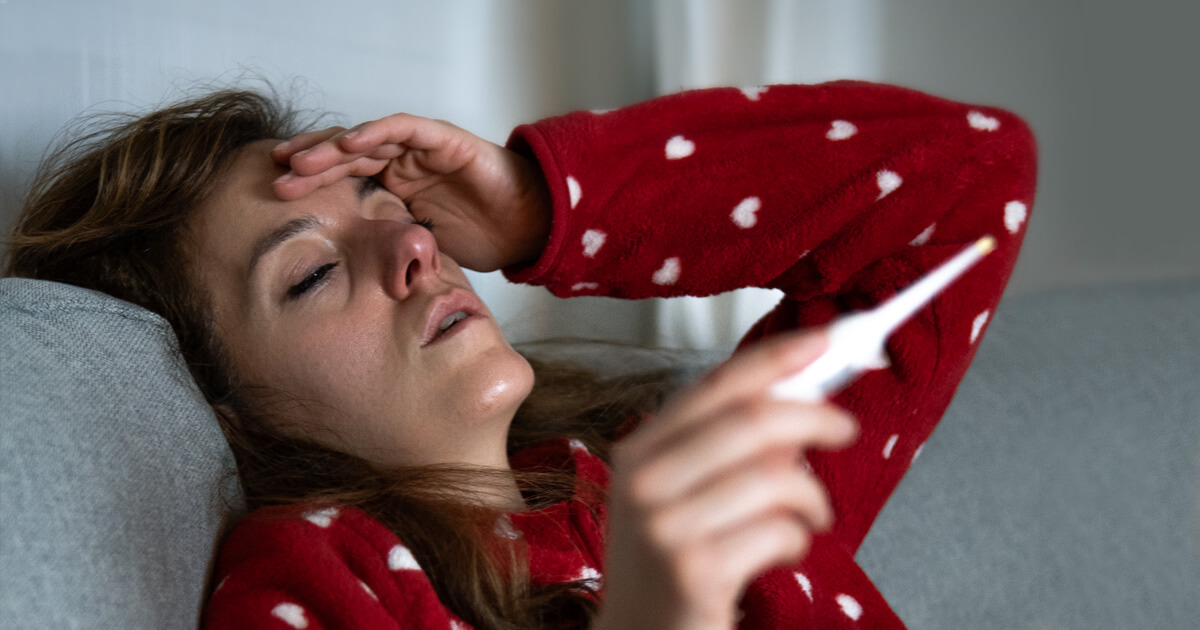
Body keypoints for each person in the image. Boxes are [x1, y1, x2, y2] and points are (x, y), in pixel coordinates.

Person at [4, 80, 1036, 628]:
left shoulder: (681, 488)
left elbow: (974, 177)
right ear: (228, 407)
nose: (415, 245)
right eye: (312, 276)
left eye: (391, 208)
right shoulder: (328, 577)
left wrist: (551, 206)